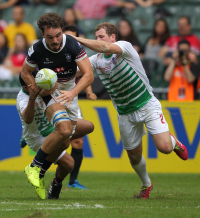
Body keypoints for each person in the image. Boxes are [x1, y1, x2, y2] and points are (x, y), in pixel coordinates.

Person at [58, 22, 189, 199]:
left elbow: (104, 47)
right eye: (96, 36)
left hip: (147, 105)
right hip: (125, 113)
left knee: (164, 148)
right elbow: (73, 72)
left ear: (113, 37)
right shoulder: (95, 61)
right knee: (134, 157)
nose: (98, 40)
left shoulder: (124, 47)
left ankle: (173, 142)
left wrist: (74, 38)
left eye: (101, 36)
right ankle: (146, 185)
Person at [21, 13, 94, 191]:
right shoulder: (36, 49)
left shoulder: (72, 44)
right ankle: (35, 165)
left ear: (62, 31)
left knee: (68, 139)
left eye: (58, 35)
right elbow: (25, 71)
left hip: (70, 91)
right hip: (49, 92)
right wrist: (34, 88)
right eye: (50, 37)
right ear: (42, 34)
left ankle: (53, 181)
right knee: (64, 129)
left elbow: (89, 74)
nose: (55, 41)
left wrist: (73, 93)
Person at [63, 25, 97, 189]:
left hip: (72, 100)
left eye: (73, 38)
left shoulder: (79, 54)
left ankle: (72, 181)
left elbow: (86, 74)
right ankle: (31, 133)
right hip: (53, 100)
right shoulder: (51, 53)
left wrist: (89, 92)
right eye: (67, 37)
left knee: (77, 142)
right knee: (58, 139)